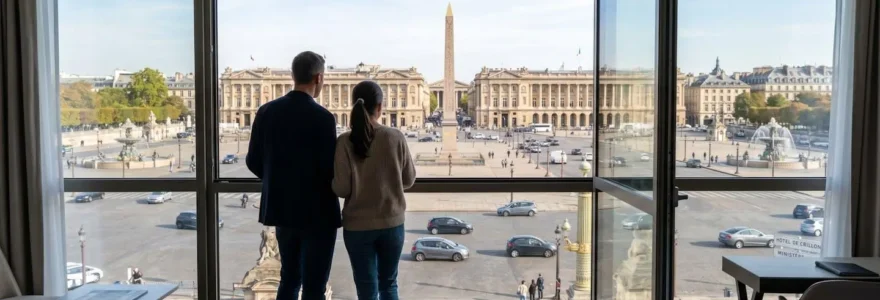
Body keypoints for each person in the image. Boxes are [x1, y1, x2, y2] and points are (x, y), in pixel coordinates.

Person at [246, 51, 341, 300]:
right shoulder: (323, 118)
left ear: (292, 76)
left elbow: (253, 161)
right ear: (319, 78)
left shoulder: (266, 112)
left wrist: (277, 178)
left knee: (289, 279)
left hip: (282, 209)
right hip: (318, 213)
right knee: (314, 286)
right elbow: (330, 169)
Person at [332, 81, 416, 300]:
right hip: (391, 223)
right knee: (389, 285)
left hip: (357, 226)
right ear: (380, 107)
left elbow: (341, 189)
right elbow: (408, 179)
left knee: (367, 289)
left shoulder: (344, 142)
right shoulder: (395, 136)